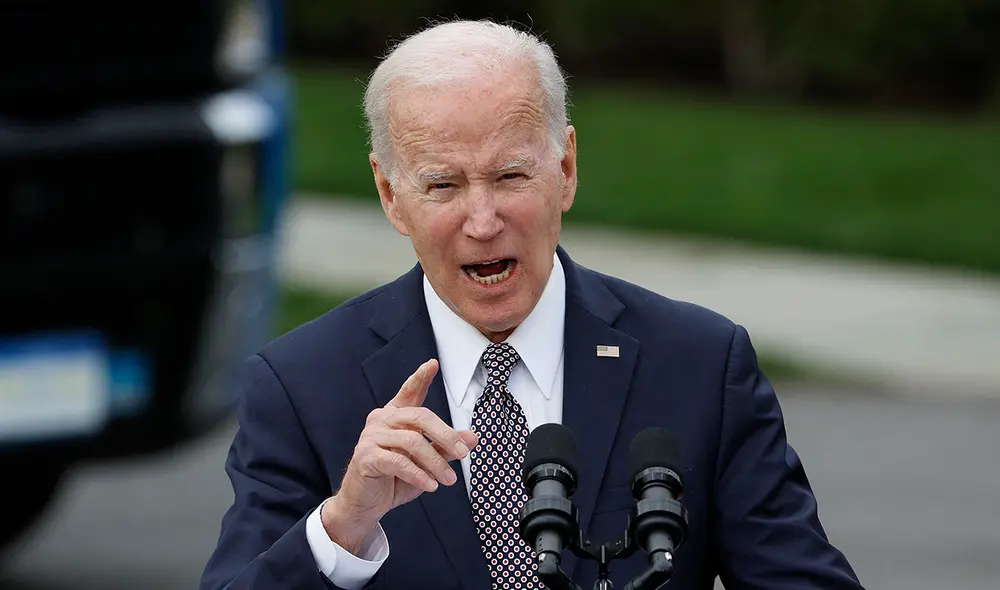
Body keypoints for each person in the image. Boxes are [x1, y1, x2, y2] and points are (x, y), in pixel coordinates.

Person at [200, 18, 864, 590]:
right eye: (442, 184)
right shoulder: (303, 385)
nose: (482, 220)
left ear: (566, 170)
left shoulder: (698, 366)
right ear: (389, 193)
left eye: (511, 176)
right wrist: (342, 526)